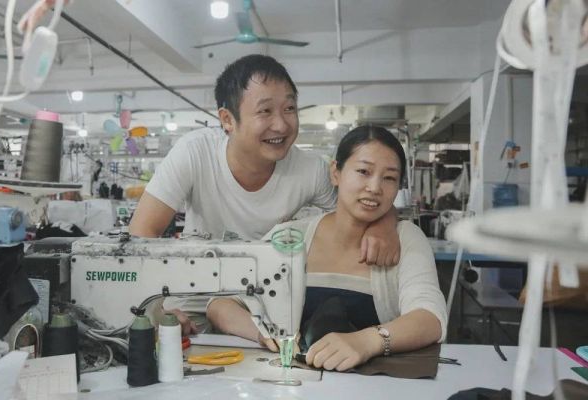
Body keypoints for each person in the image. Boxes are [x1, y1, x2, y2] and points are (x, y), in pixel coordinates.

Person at [207, 126, 447, 371]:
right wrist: (262, 331)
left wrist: (368, 341)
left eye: (389, 178)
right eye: (363, 171)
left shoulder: (406, 239)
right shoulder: (289, 237)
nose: (375, 187)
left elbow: (431, 318)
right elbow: (221, 304)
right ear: (335, 173)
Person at [129, 55, 399, 263]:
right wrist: (158, 308)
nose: (281, 125)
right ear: (227, 120)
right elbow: (142, 233)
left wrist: (383, 228)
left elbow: (364, 205)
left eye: (289, 108)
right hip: (194, 296)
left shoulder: (310, 170)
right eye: (265, 111)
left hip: (271, 299)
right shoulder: (195, 153)